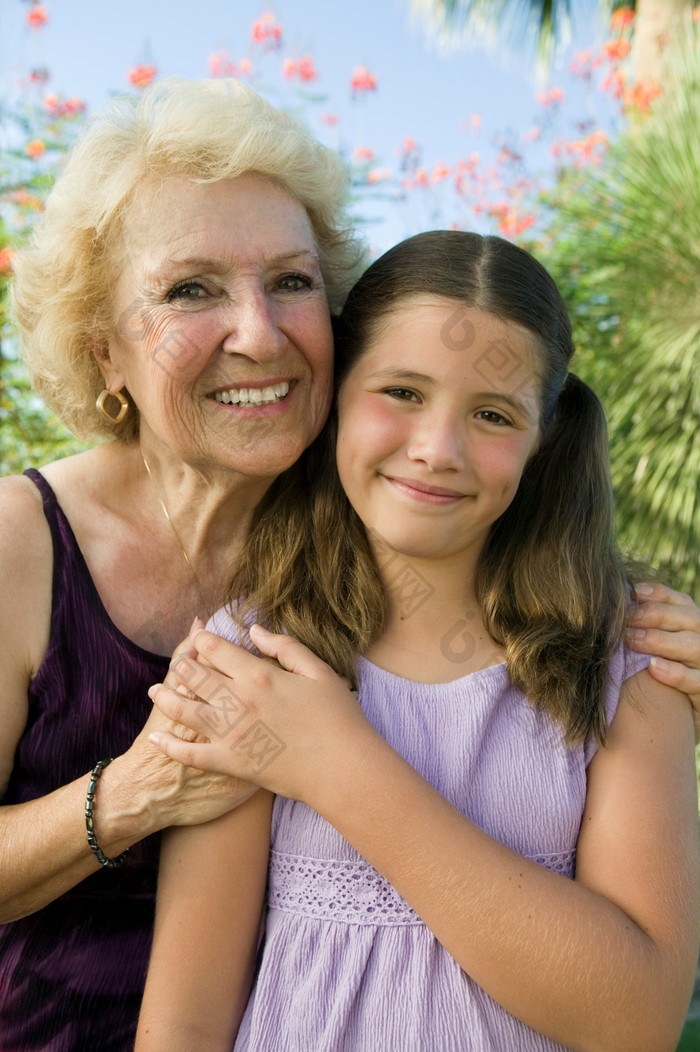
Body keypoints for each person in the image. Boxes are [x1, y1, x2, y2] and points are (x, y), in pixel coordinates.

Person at [139, 231, 700, 1051]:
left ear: (543, 442)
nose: (439, 449)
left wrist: (337, 764)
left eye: (494, 414)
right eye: (401, 391)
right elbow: (184, 1021)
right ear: (333, 398)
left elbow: (636, 1019)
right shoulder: (248, 661)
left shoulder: (627, 662)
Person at [0, 76, 365, 1050]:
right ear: (105, 352)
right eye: (190, 289)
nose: (260, 332)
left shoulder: (371, 530)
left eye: (291, 281)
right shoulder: (19, 543)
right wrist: (135, 791)